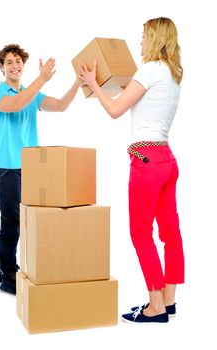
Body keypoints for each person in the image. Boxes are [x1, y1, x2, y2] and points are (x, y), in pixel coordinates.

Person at [79, 17, 184, 323]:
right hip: (167, 159)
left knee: (140, 232)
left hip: (146, 161)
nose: (139, 42)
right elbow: (144, 101)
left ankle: (155, 307)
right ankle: (169, 299)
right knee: (170, 233)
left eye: (143, 36)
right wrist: (124, 85)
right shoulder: (173, 73)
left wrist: (93, 83)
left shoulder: (150, 69)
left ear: (154, 38)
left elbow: (114, 110)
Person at [0, 44, 80, 294]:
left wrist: (78, 83)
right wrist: (42, 79)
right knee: (12, 220)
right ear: (2, 68)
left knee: (27, 220)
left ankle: (9, 265)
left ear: (23, 64)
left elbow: (60, 106)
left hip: (30, 167)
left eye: (17, 61)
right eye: (9, 62)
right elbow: (14, 105)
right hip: (5, 168)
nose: (14, 65)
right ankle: (6, 270)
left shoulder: (32, 95)